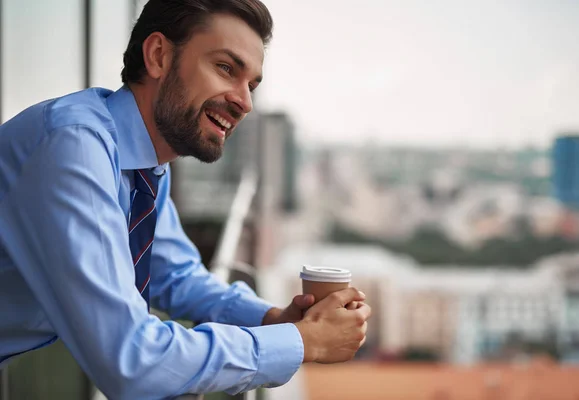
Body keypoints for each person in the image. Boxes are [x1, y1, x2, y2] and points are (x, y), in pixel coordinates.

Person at [0, 0, 372, 398]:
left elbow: (176, 276)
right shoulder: (73, 147)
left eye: (251, 85)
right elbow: (132, 361)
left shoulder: (144, 165)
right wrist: (302, 342)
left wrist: (275, 320)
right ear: (159, 55)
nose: (244, 102)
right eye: (226, 68)